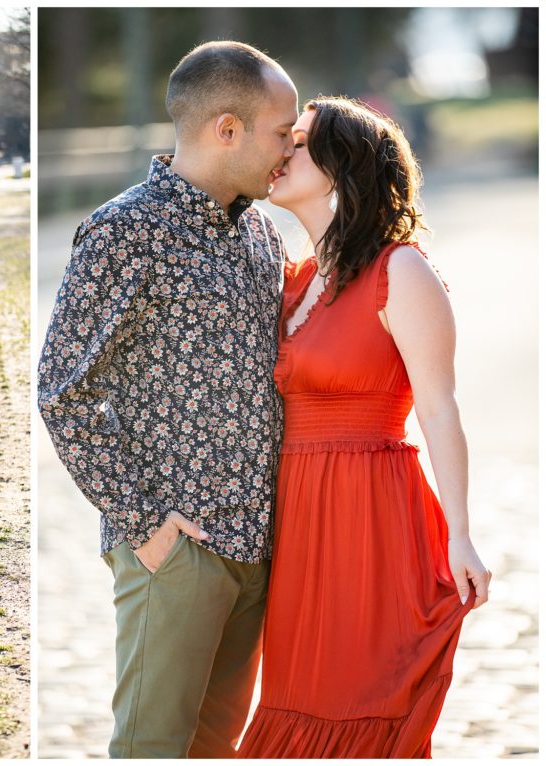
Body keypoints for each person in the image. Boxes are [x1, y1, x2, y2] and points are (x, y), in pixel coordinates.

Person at [38, 41, 298, 758]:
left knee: (214, 750)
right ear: (226, 129)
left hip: (256, 545)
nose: (289, 148)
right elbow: (63, 391)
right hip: (176, 550)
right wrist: (147, 526)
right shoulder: (125, 231)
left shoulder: (261, 232)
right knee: (152, 748)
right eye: (282, 133)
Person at [236, 97, 490, 758]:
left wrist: (460, 536)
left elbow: (439, 409)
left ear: (341, 165)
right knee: (295, 698)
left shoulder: (399, 272)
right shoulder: (293, 281)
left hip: (371, 518)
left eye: (297, 142)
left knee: (356, 702)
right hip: (298, 523)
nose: (279, 154)